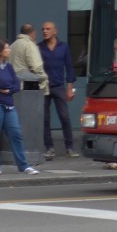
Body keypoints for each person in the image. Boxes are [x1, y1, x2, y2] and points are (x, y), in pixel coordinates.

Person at [0, 39, 39, 176]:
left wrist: (6, 89)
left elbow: (16, 84)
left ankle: (23, 165)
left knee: (16, 133)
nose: (9, 50)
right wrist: (3, 88)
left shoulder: (9, 67)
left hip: (8, 104)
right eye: (7, 48)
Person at [39, 20, 78, 160]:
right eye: (43, 29)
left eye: (48, 29)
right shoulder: (39, 48)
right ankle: (49, 148)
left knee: (65, 117)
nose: (45, 31)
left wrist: (70, 88)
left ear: (55, 31)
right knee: (45, 119)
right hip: (44, 87)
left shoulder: (64, 47)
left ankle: (69, 148)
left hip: (59, 86)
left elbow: (69, 67)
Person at [9, 22, 46, 89]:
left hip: (13, 85)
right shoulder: (29, 45)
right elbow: (36, 67)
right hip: (27, 86)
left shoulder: (12, 45)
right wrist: (43, 81)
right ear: (33, 33)